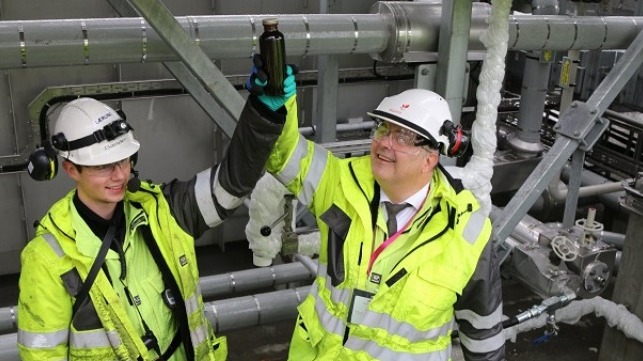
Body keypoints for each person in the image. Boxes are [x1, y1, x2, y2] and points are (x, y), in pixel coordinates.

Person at [244, 64, 505, 360]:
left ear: (430, 159)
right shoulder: (339, 181)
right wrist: (277, 108)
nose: (384, 142)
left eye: (403, 137)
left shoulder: (467, 232)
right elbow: (284, 155)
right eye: (383, 128)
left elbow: (483, 335)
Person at [17, 96, 286, 360]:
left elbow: (230, 184)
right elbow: (42, 355)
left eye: (124, 159)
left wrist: (262, 114)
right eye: (103, 166)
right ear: (71, 169)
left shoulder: (165, 210)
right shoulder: (46, 259)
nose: (121, 175)